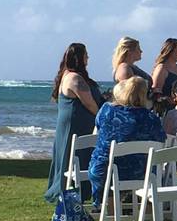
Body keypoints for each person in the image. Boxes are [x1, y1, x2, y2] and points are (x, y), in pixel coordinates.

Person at [87, 76, 166, 210]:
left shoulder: (107, 111)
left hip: (105, 170)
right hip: (141, 172)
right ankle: (146, 214)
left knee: (108, 162)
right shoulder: (151, 118)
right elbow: (161, 141)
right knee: (149, 165)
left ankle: (111, 214)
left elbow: (98, 132)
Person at [44, 43, 104, 203]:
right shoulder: (74, 78)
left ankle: (78, 191)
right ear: (79, 58)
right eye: (86, 55)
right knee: (73, 155)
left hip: (75, 122)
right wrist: (103, 116)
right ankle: (66, 191)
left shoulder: (67, 75)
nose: (88, 58)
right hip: (76, 124)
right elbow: (90, 104)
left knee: (76, 156)